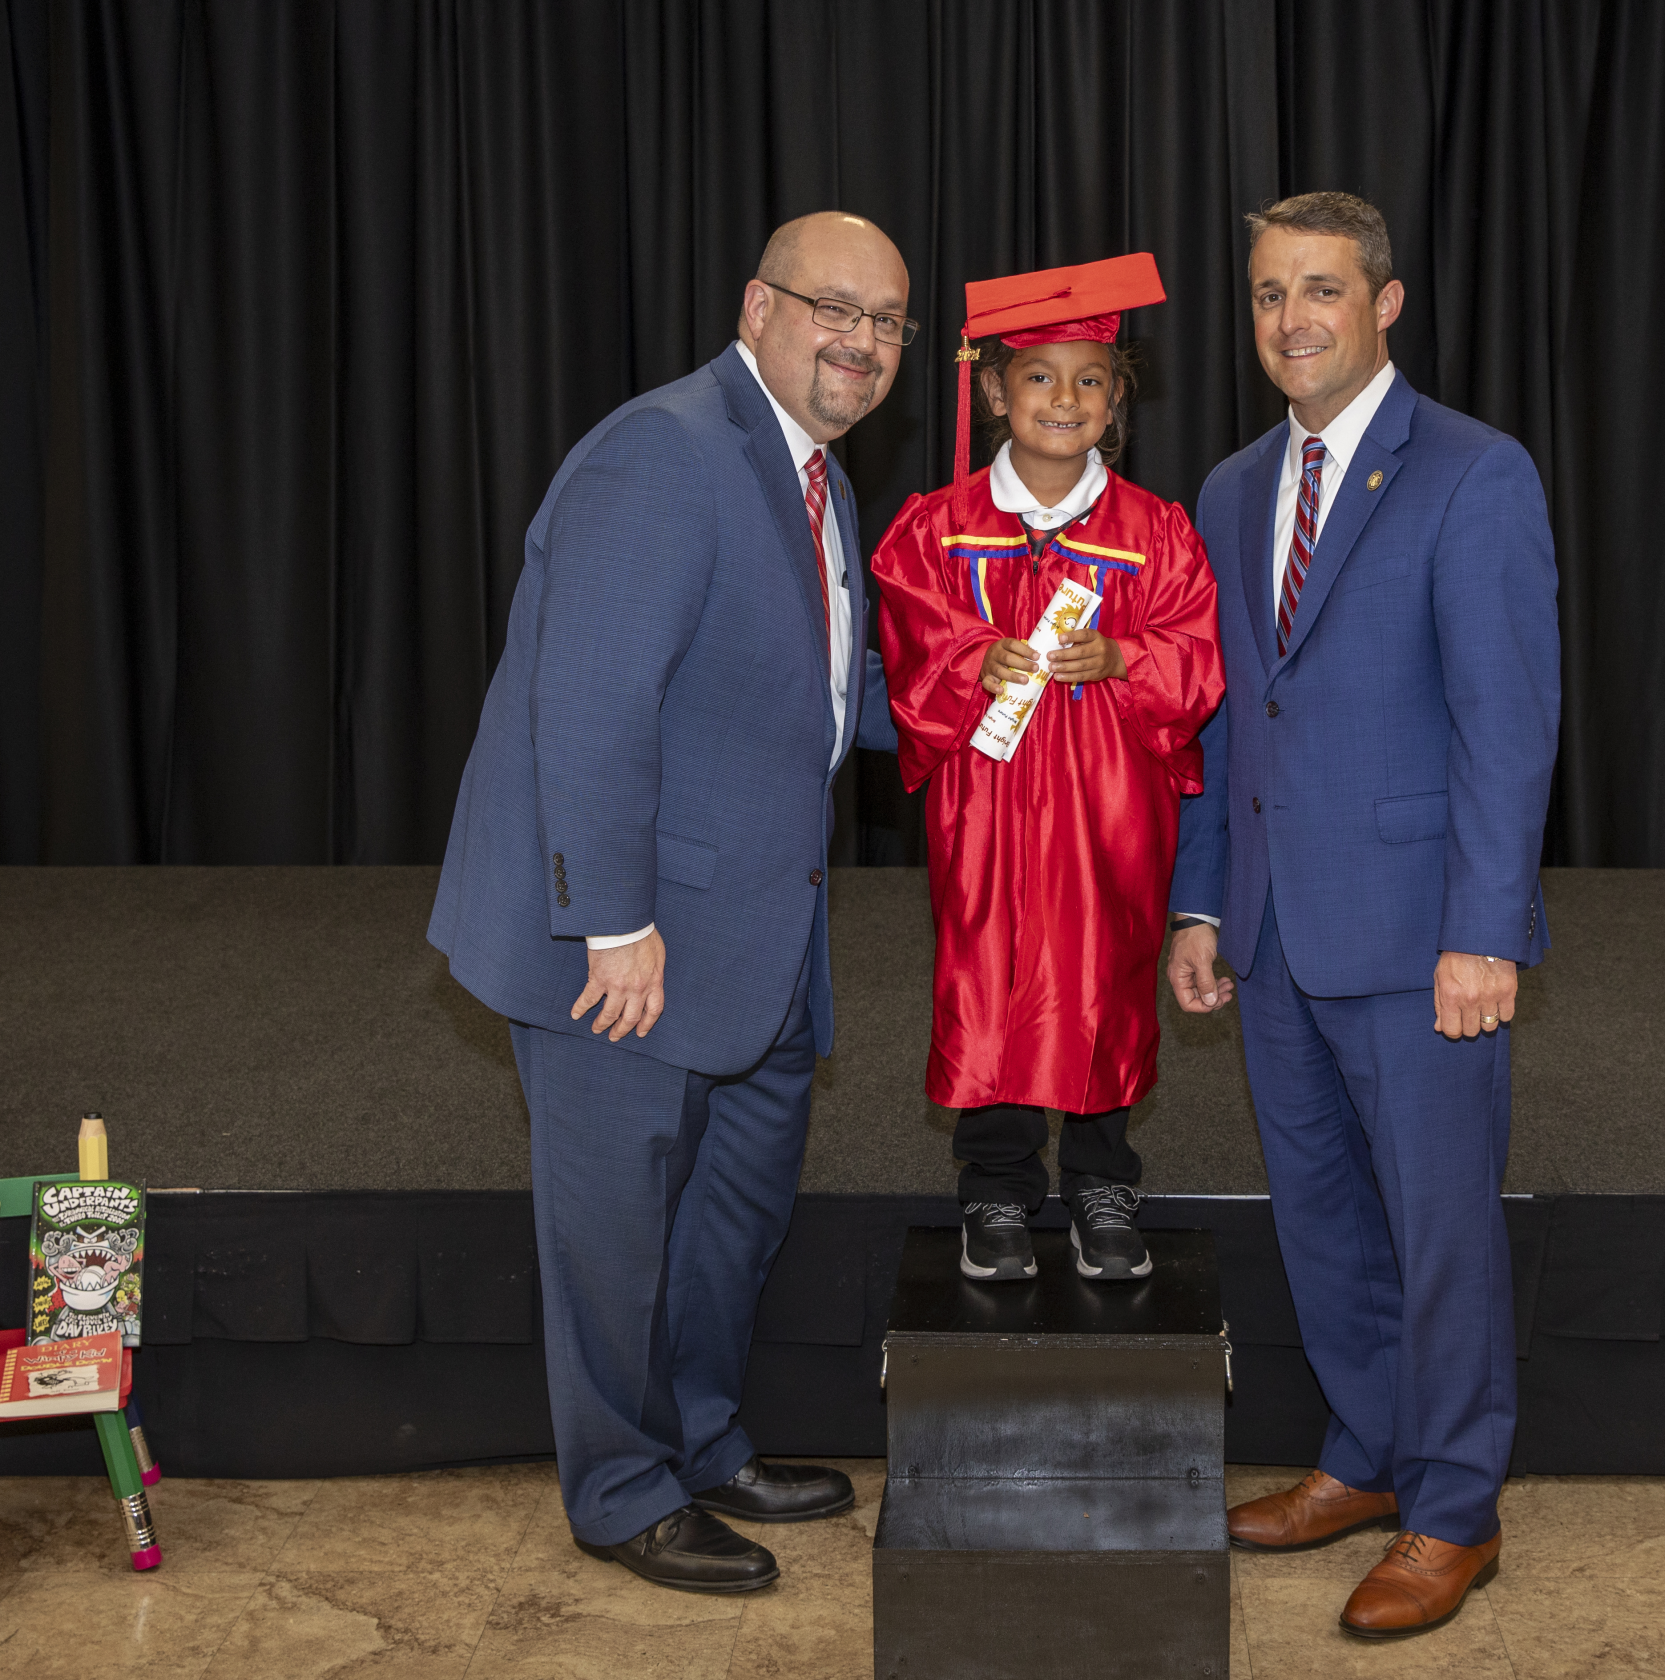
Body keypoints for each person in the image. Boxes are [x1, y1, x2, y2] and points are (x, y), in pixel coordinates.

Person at [428, 212, 911, 1594]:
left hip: (760, 941)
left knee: (724, 1228)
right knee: (615, 1238)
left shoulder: (814, 473)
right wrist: (614, 922)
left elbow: (827, 691)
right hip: (628, 948)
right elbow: (590, 703)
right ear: (758, 306)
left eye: (887, 322)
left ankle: (700, 1443)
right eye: (835, 308)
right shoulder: (662, 451)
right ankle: (622, 1490)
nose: (862, 342)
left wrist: (996, 695)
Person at [1167, 192, 1560, 1640]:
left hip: (1418, 937)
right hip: (1272, 932)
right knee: (1325, 1220)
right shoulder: (1227, 491)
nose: (1293, 319)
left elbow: (1508, 727)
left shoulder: (1475, 473)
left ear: (1384, 304)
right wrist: (1200, 903)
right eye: (1270, 293)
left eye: (1321, 289)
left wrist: (1485, 932)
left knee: (1438, 1232)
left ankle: (1454, 1508)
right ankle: (1368, 1452)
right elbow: (1223, 724)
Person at [873, 254, 1225, 1283]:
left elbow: (1198, 661)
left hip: (1111, 804)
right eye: (1038, 376)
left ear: (1115, 402)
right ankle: (995, 1184)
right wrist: (970, 658)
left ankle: (1102, 1180)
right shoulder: (936, 527)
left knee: (1105, 972)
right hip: (985, 804)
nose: (1063, 398)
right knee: (989, 972)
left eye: (1089, 380)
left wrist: (1124, 657)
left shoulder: (1155, 532)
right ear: (993, 390)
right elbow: (908, 640)